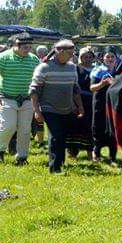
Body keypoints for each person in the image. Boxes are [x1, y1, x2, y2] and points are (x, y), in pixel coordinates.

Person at [30, 40, 84, 174]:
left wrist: (80, 107)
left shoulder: (72, 67)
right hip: (49, 108)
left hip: (67, 108)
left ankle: (59, 162)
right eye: (70, 53)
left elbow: (75, 89)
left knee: (62, 136)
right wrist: (37, 111)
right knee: (56, 136)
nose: (72, 56)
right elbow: (34, 91)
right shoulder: (44, 67)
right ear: (60, 52)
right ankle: (55, 168)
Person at [0, 34, 41, 165]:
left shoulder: (34, 59)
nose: (27, 50)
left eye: (30, 47)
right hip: (6, 98)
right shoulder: (3, 57)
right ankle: (0, 151)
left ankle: (22, 157)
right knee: (8, 126)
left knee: (25, 129)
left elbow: (39, 79)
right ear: (16, 45)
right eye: (25, 47)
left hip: (27, 99)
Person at [90, 47, 118, 163]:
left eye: (112, 56)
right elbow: (92, 88)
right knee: (99, 127)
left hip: (114, 103)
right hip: (100, 102)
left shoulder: (119, 71)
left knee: (114, 128)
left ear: (116, 58)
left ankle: (113, 157)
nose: (110, 59)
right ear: (103, 58)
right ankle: (96, 153)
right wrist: (102, 83)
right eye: (108, 56)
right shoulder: (98, 70)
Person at [67, 46, 96, 159]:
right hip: (78, 100)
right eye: (85, 57)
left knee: (90, 128)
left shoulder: (97, 69)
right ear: (80, 57)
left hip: (92, 103)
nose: (88, 59)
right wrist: (73, 103)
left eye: (90, 57)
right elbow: (72, 86)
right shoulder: (75, 69)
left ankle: (90, 153)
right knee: (75, 127)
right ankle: (73, 152)